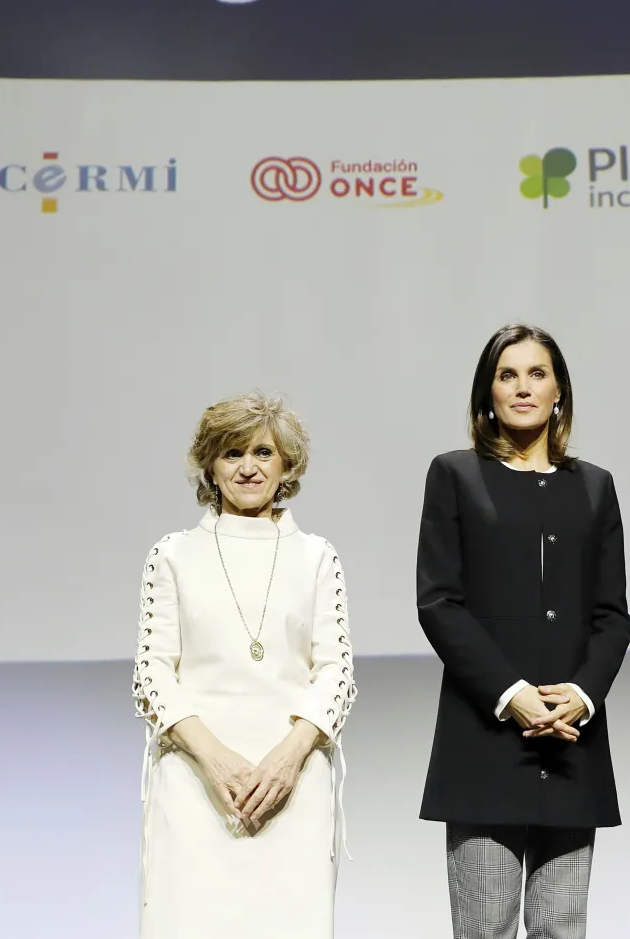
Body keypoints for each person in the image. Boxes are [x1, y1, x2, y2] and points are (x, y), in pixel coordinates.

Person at [416, 324, 630, 939]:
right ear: (488, 393)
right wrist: (514, 696)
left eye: (537, 374)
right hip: (485, 741)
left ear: (559, 390)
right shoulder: (455, 475)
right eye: (507, 375)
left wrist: (582, 695)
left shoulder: (594, 485)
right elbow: (438, 603)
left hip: (569, 741)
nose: (522, 387)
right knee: (486, 925)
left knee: (563, 927)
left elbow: (612, 614)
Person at [133, 392, 356, 939]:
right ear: (210, 464)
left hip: (295, 782)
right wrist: (217, 762)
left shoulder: (317, 555)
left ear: (287, 465)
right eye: (232, 453)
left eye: (263, 452)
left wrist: (287, 760)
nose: (248, 467)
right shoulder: (173, 554)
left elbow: (336, 672)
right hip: (193, 780)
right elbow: (153, 673)